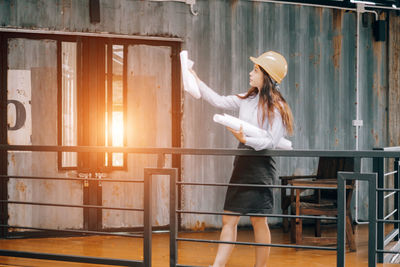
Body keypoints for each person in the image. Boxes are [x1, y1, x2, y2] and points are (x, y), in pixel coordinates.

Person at [190, 51, 294, 267]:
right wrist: (194, 77)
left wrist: (245, 138)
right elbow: (217, 100)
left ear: (267, 76)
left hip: (261, 166)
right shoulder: (248, 99)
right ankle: (217, 266)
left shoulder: (278, 107)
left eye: (255, 70)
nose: (250, 73)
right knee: (228, 218)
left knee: (258, 220)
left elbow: (270, 141)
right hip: (242, 163)